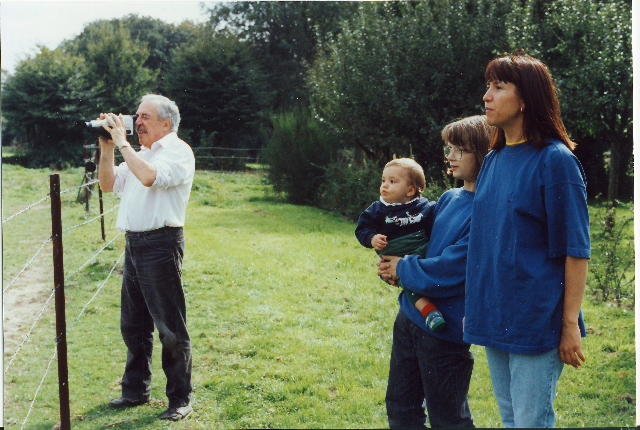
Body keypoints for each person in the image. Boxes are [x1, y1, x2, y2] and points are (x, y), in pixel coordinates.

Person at [463, 55, 591, 428]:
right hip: (495, 316)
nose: (486, 96)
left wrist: (568, 325)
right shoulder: (493, 159)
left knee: (531, 422)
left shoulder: (556, 161)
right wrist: (478, 305)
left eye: (498, 87)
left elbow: (575, 250)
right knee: (511, 420)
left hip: (537, 321)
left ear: (525, 99)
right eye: (488, 86)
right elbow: (484, 245)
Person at [377, 115, 492, 428]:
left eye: (460, 150)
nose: (450, 157)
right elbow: (422, 247)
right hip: (410, 318)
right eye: (449, 148)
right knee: (401, 410)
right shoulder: (448, 198)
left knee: (448, 420)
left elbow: (453, 269)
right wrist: (391, 261)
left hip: (446, 333)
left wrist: (404, 269)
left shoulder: (487, 210)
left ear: (484, 153)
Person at [97, 94, 195, 421]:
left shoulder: (177, 152)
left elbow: (150, 176)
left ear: (166, 123)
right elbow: (108, 184)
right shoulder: (139, 154)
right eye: (135, 116)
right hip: (135, 246)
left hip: (161, 244)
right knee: (133, 324)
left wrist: (122, 143)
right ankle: (135, 390)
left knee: (169, 326)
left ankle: (180, 398)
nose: (136, 122)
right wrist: (108, 148)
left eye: (144, 117)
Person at [355, 158, 444, 332]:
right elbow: (361, 229)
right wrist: (372, 239)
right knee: (406, 282)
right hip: (394, 253)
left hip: (421, 250)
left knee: (422, 272)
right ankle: (429, 311)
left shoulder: (424, 206)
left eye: (392, 181)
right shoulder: (377, 209)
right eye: (383, 180)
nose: (384, 186)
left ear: (410, 190)